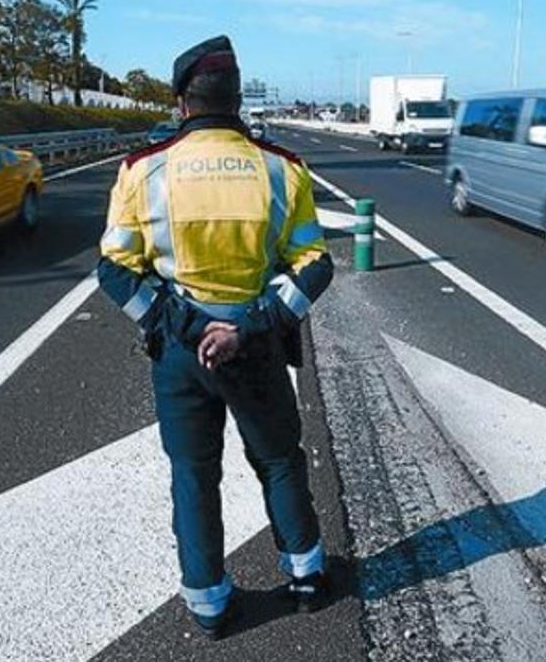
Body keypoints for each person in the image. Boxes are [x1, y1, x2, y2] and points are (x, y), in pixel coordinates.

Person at [97, 35, 334, 639]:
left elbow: (114, 270)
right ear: (235, 99)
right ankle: (306, 577)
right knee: (280, 461)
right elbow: (315, 265)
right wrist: (248, 326)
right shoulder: (282, 168)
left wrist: (187, 326)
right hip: (254, 345)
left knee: (194, 474)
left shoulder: (142, 171)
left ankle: (208, 604)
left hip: (180, 349)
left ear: (182, 102)